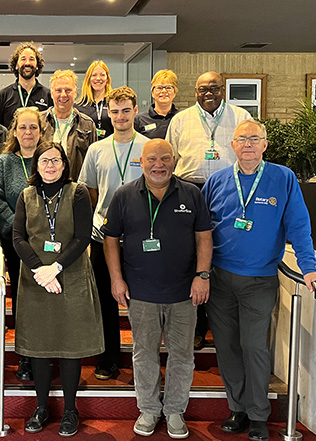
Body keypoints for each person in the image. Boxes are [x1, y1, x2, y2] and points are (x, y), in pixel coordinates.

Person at [202, 120, 316, 441]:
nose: (248, 144)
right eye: (242, 139)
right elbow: (199, 231)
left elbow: (299, 226)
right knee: (227, 347)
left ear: (265, 145)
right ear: (232, 145)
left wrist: (308, 267)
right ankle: (238, 408)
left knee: (254, 345)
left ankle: (259, 412)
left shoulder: (283, 179)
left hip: (259, 279)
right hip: (219, 278)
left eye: (254, 139)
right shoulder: (216, 181)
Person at [102, 139, 212, 439]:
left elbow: (204, 236)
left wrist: (203, 275)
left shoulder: (191, 193)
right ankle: (149, 409)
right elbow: (110, 239)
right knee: (144, 353)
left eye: (165, 158)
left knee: (182, 354)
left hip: (184, 293)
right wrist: (116, 278)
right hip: (141, 292)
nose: (158, 164)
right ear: (141, 161)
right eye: (152, 159)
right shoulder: (125, 195)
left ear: (174, 160)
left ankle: (175, 410)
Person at [13, 142, 103, 437]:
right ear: (35, 166)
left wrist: (57, 268)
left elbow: (82, 236)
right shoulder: (26, 195)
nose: (50, 165)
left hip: (70, 275)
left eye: (55, 160)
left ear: (64, 164)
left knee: (69, 345)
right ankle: (41, 407)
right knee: (38, 346)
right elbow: (18, 237)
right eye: (44, 161)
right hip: (36, 278)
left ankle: (70, 410)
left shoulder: (77, 192)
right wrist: (41, 269)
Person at [165, 71, 251, 350]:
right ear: (195, 92)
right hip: (189, 188)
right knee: (190, 255)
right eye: (203, 89)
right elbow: (170, 158)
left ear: (223, 89)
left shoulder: (240, 118)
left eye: (214, 88)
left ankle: (223, 323)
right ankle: (196, 326)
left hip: (228, 190)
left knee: (224, 251)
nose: (208, 93)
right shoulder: (181, 120)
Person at [78, 86, 149, 381]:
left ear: (135, 111)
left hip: (140, 238)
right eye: (114, 111)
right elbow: (90, 192)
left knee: (142, 302)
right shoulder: (97, 149)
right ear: (109, 113)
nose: (120, 116)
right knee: (106, 300)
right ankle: (108, 358)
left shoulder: (148, 147)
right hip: (103, 237)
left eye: (125, 110)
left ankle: (143, 361)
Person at [0, 106, 43, 382]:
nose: (27, 132)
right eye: (22, 127)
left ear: (41, 131)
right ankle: (24, 354)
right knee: (21, 297)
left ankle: (44, 352)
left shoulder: (49, 158)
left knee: (44, 297)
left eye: (33, 127)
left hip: (46, 242)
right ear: (14, 131)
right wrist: (18, 229)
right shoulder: (4, 161)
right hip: (15, 242)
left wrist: (41, 232)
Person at [41, 70, 97, 180]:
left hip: (76, 188)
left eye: (68, 90)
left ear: (75, 92)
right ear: (52, 93)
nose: (63, 95)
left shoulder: (87, 125)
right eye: (58, 90)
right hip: (44, 188)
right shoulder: (39, 122)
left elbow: (93, 162)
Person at [0, 42, 53, 128]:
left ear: (37, 65)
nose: (27, 63)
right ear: (16, 65)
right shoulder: (3, 95)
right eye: (23, 59)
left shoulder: (48, 95)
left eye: (31, 59)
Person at [135, 69, 180, 139]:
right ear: (152, 92)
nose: (164, 91)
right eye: (159, 87)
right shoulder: (139, 120)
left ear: (174, 92)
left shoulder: (181, 118)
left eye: (168, 87)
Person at [75, 60, 114, 139]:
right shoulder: (78, 106)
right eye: (94, 75)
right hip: (87, 149)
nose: (98, 78)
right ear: (88, 79)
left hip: (110, 148)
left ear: (107, 79)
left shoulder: (113, 103)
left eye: (102, 75)